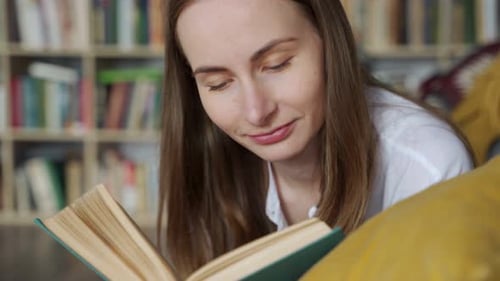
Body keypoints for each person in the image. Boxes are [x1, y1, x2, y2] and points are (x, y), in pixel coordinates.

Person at [158, 0, 474, 278]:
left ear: (329, 41)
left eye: (276, 64)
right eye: (218, 84)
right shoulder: (209, 155)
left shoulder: (426, 164)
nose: (256, 112)